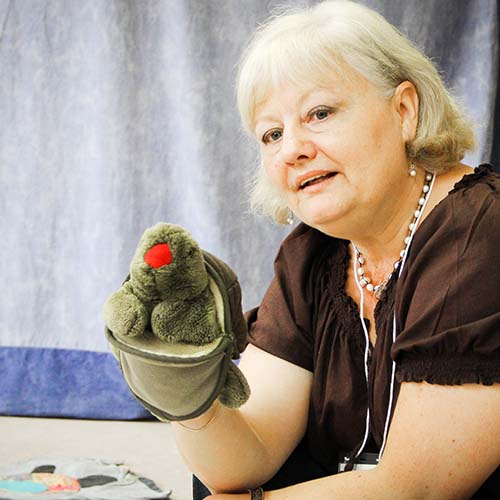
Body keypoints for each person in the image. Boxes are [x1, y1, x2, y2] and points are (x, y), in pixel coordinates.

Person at [108, 1, 500, 498]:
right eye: (272, 134)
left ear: (404, 111)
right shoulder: (314, 256)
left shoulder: (480, 231)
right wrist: (187, 394)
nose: (292, 149)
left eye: (319, 113)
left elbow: (417, 488)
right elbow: (242, 462)